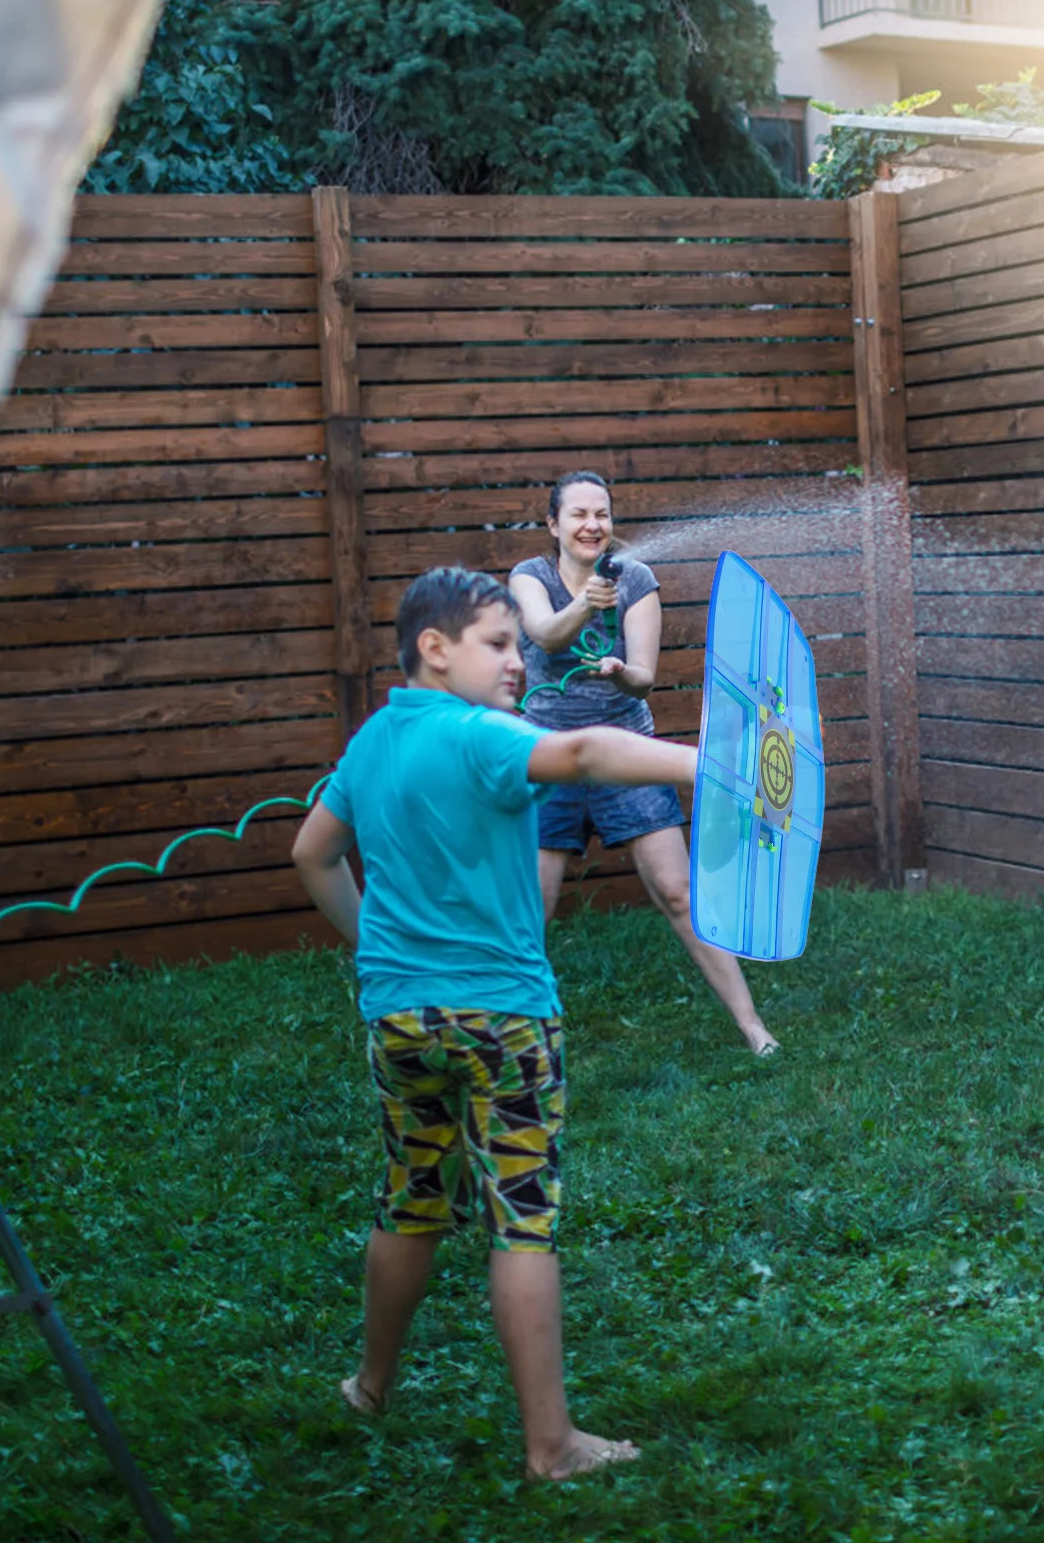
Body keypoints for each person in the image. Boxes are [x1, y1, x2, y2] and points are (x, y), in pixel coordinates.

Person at [291, 565, 703, 1480]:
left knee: (412, 1196)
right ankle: (551, 1447)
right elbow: (590, 755)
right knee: (522, 1220)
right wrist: (711, 765)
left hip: (400, 1020)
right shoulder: (482, 734)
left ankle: (370, 1385)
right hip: (504, 1020)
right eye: (500, 644)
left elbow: (312, 852)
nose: (520, 662)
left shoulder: (372, 742)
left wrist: (377, 951)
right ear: (433, 650)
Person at [508, 470, 780, 1056]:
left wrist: (620, 672)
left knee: (678, 892)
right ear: (553, 524)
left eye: (601, 514)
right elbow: (546, 635)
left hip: (625, 752)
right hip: (547, 759)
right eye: (578, 514)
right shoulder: (529, 578)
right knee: (531, 909)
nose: (592, 525)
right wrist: (584, 604)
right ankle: (514, 1040)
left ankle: (753, 1027)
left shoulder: (635, 578)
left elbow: (644, 680)